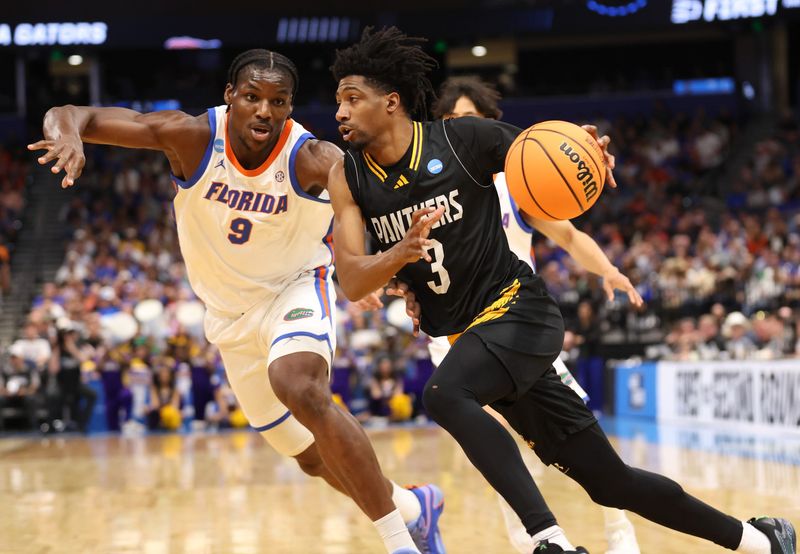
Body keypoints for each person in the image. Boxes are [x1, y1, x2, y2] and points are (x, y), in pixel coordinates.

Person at [328, 26, 796, 554]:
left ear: (391, 103)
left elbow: (546, 154)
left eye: (352, 99)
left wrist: (589, 153)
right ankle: (761, 541)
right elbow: (349, 280)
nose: (339, 112)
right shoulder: (348, 178)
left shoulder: (465, 141)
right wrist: (398, 255)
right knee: (611, 482)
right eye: (338, 100)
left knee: (444, 394)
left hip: (518, 312)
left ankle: (547, 541)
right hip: (471, 340)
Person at [29, 48, 443, 554]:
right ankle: (416, 507)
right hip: (228, 317)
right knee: (311, 458)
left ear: (290, 107)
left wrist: (389, 273)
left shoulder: (315, 158)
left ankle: (399, 542)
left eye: (278, 101)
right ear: (231, 97)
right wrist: (68, 133)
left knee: (301, 387)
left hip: (294, 287)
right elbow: (76, 115)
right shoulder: (191, 136)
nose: (264, 111)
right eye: (252, 97)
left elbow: (372, 213)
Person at [427, 75, 641, 554]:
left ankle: (620, 534)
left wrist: (608, 271)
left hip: (516, 324)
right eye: (456, 121)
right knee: (498, 451)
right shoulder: (431, 188)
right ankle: (537, 546)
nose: (466, 130)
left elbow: (567, 236)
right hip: (458, 335)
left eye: (474, 121)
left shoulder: (518, 183)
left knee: (582, 431)